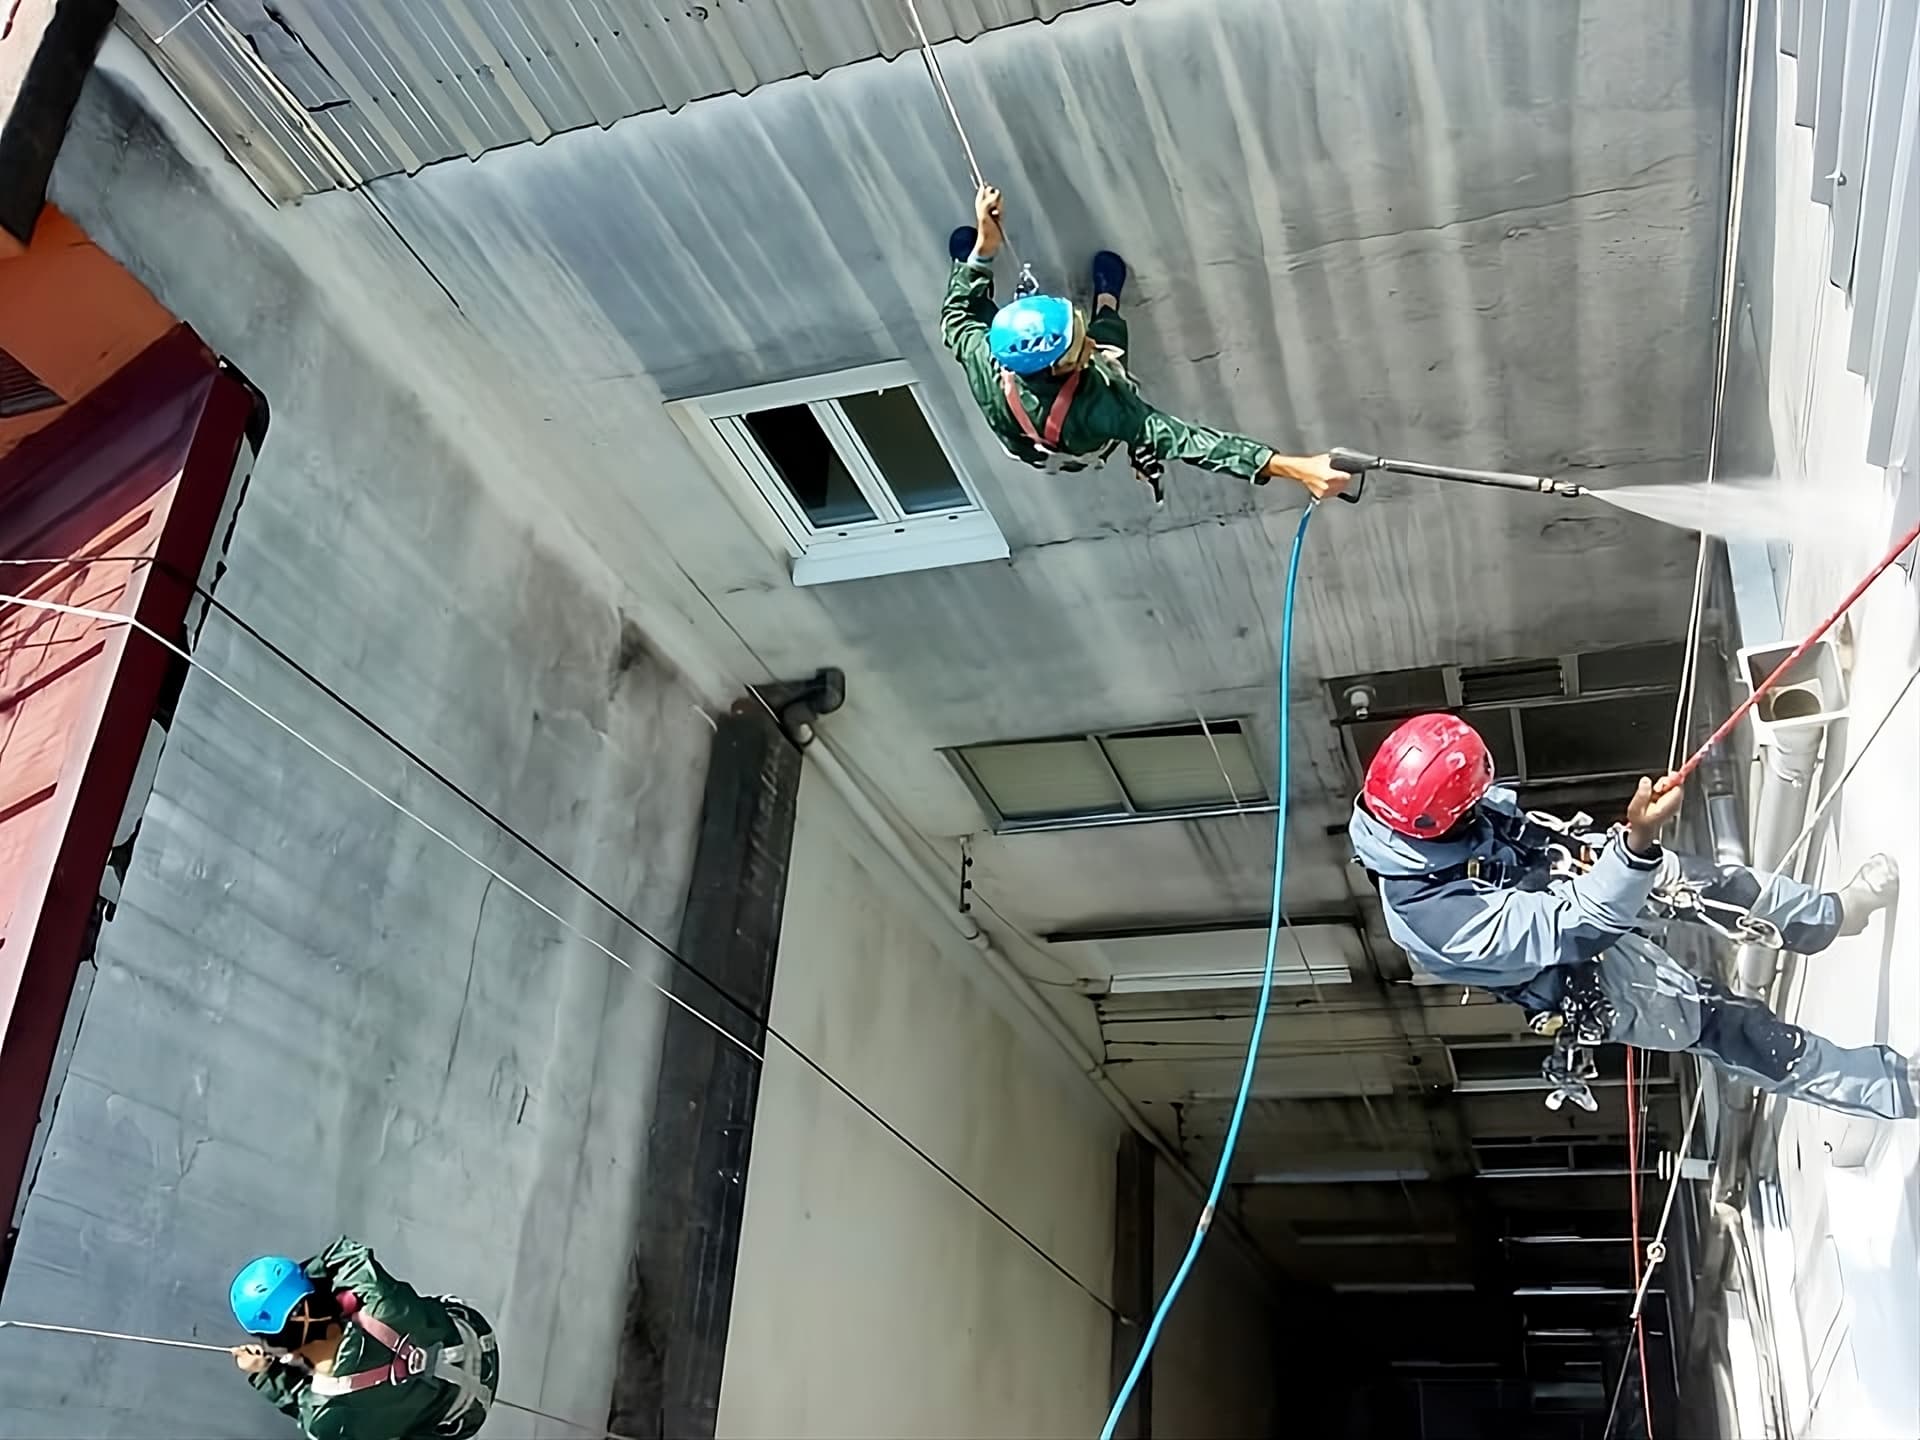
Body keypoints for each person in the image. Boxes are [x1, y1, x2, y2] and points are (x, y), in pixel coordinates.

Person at [1347, 713, 1915, 1119]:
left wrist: (1610, 852)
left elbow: (1519, 836)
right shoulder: (1436, 920)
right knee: (1731, 1026)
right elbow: (1578, 926)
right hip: (1579, 968)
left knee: (1718, 885)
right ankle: (1891, 1088)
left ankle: (1834, 915)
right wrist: (1636, 844)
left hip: (1573, 878)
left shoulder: (1428, 811)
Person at [940, 184, 1351, 505]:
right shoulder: (1104, 408)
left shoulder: (982, 351)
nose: (1086, 346)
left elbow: (956, 315)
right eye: (1078, 346)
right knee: (1112, 345)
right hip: (1069, 437)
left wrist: (984, 250)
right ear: (1060, 367)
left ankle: (971, 262)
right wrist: (1295, 468)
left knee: (979, 306)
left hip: (1020, 432)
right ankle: (1107, 300)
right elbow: (1189, 442)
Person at [229, 1239, 498, 1439]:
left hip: (467, 1415)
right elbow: (341, 1253)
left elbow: (301, 1406)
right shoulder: (374, 1293)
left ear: (272, 1340)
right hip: (478, 1339)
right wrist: (320, 1295)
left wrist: (265, 1374)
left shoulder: (323, 1416)